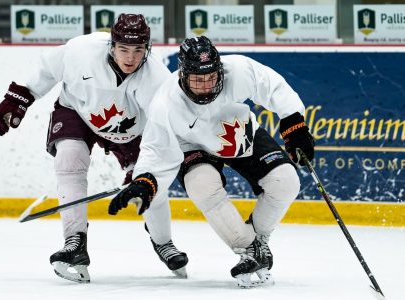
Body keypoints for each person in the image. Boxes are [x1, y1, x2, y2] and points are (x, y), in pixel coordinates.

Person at [107, 36, 315, 287]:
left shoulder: (238, 70)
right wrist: (145, 180)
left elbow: (273, 87)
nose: (206, 86)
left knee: (286, 181)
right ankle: (249, 249)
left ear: (219, 69)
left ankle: (259, 239)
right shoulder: (165, 103)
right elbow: (155, 149)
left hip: (237, 132)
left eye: (211, 77)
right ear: (183, 75)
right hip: (192, 146)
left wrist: (294, 124)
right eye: (197, 79)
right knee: (202, 185)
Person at [0, 14, 188, 283]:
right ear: (112, 45)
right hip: (78, 111)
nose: (130, 58)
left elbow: (162, 134)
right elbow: (47, 70)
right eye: (123, 49)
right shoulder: (80, 50)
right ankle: (74, 241)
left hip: (130, 131)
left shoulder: (157, 80)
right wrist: (20, 97)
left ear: (148, 49)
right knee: (69, 160)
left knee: (150, 186)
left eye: (137, 50)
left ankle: (163, 242)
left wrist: (144, 172)